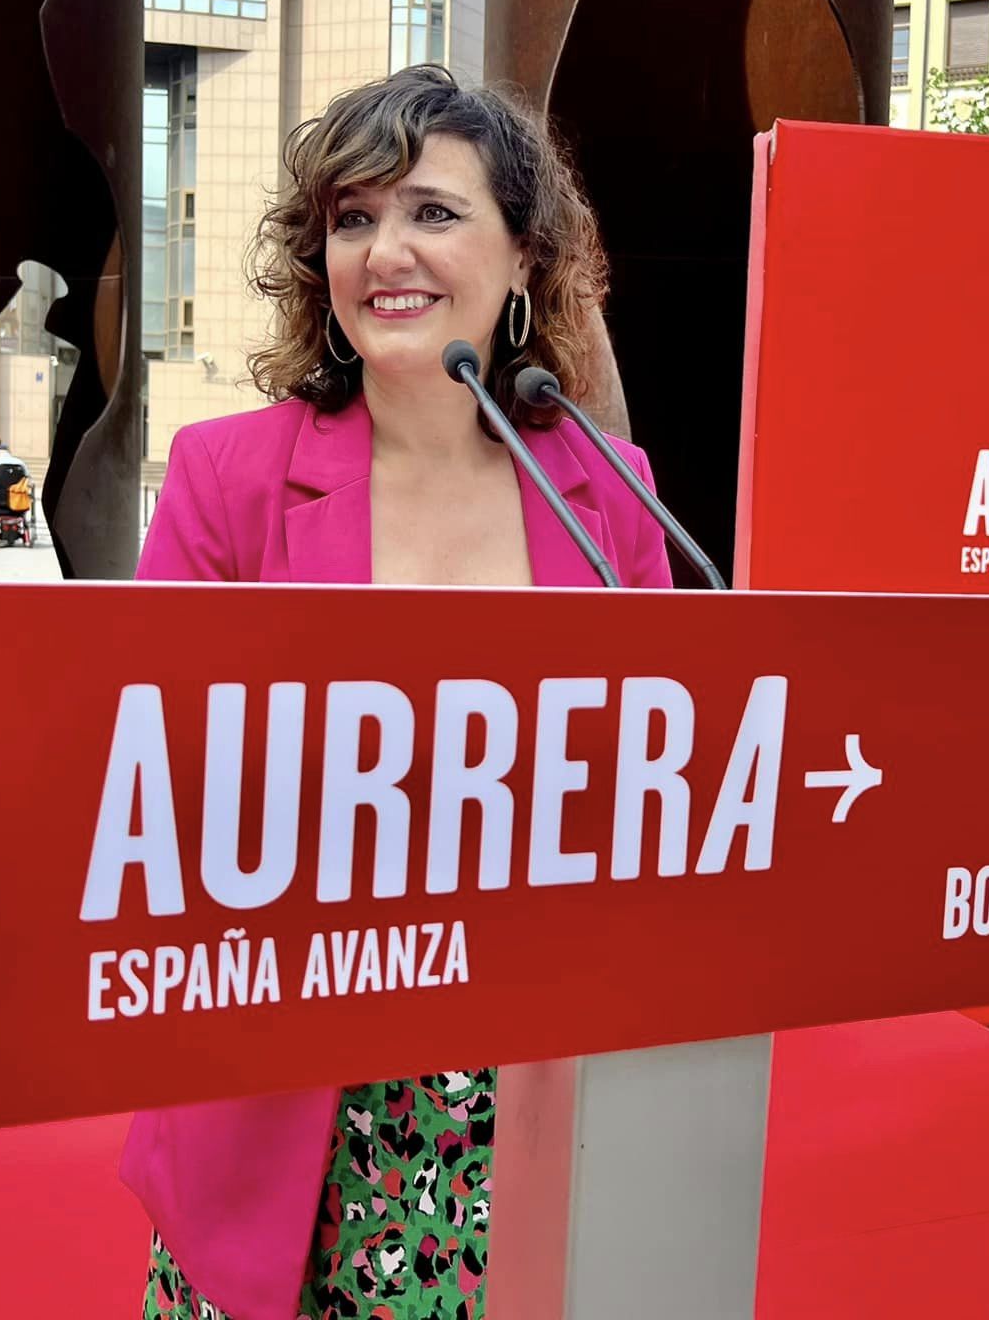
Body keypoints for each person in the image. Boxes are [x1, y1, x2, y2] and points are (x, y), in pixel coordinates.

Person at [124, 64, 670, 1320]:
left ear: (524, 255)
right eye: (353, 218)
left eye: (431, 212)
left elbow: (660, 784)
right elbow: (148, 786)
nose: (385, 252)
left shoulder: (608, 487)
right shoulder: (227, 479)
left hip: (522, 1084)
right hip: (282, 1077)